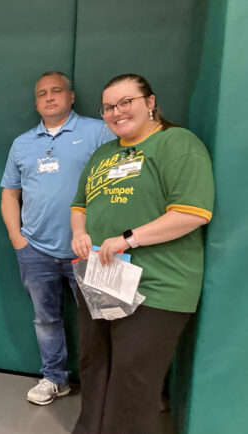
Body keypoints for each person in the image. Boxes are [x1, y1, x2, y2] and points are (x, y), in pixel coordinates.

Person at [70, 73, 214, 433]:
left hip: (157, 285)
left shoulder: (177, 143)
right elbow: (79, 204)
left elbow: (192, 213)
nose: (116, 112)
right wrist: (79, 233)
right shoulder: (104, 153)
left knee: (133, 378)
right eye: (108, 107)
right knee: (94, 364)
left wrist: (130, 238)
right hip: (102, 278)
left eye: (125, 102)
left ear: (150, 103)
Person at [0, 71, 114, 405]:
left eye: (56, 91)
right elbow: (9, 194)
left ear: (71, 96)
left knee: (100, 320)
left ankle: (102, 386)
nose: (49, 97)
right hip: (35, 250)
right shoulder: (22, 143)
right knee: (45, 320)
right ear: (36, 102)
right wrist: (17, 239)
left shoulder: (99, 131)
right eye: (42, 94)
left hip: (90, 250)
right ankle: (54, 378)